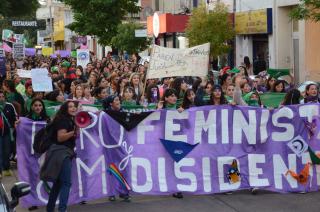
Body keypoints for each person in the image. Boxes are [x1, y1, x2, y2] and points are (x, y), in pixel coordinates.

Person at [45, 101, 78, 212]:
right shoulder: (63, 120)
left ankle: (50, 209)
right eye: (70, 107)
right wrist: (72, 133)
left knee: (58, 183)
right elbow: (61, 137)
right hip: (62, 153)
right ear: (65, 109)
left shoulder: (67, 119)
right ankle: (62, 209)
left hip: (60, 153)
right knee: (66, 183)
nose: (73, 108)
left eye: (74, 107)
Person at [0, 90, 17, 178]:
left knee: (6, 151)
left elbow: (15, 117)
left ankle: (6, 169)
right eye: (0, 97)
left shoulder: (9, 106)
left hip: (7, 133)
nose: (1, 98)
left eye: (3, 96)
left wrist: (15, 124)